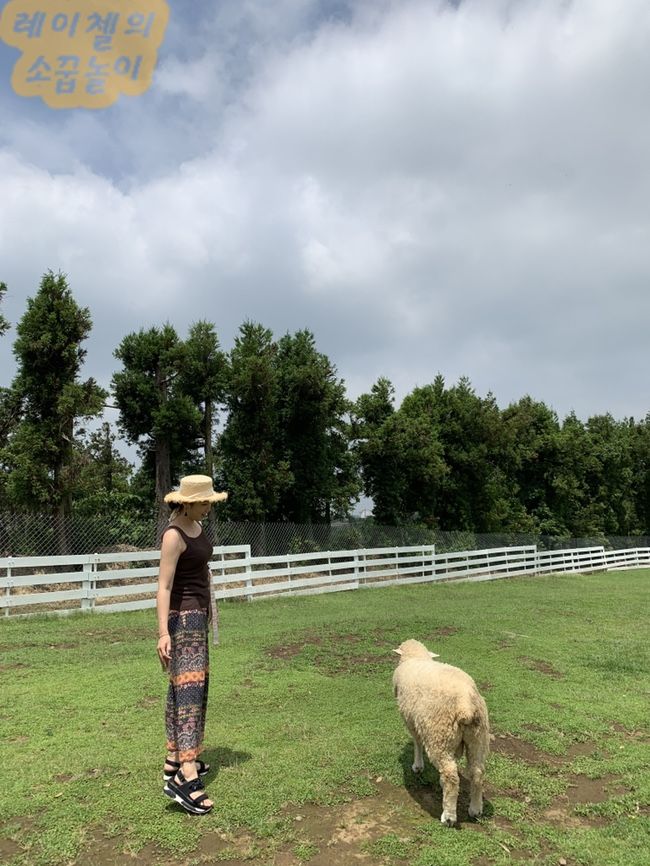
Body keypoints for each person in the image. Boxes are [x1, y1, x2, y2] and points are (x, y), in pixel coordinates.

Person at [156, 474, 228, 815]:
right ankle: (185, 776)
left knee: (190, 691)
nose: (208, 508)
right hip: (182, 622)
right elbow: (164, 588)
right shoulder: (174, 535)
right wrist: (163, 633)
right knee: (187, 695)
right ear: (187, 502)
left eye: (209, 503)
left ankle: (175, 758)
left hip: (197, 617)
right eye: (204, 503)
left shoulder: (196, 527)